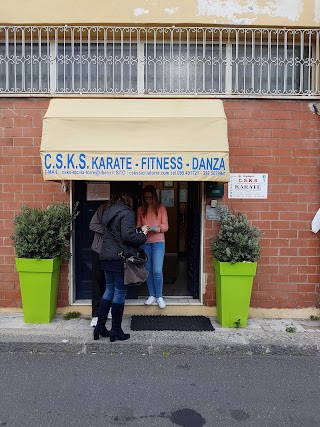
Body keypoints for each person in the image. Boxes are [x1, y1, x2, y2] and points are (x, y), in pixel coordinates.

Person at [93, 192, 148, 341]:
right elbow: (128, 236)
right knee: (119, 292)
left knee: (109, 290)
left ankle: (100, 327)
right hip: (119, 258)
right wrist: (142, 235)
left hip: (105, 256)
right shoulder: (127, 213)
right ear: (127, 202)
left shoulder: (107, 212)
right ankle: (116, 330)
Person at [137, 185, 169, 309]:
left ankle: (159, 296)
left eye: (150, 197)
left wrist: (155, 228)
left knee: (157, 270)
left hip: (158, 242)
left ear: (154, 197)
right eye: (146, 198)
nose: (148, 200)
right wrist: (143, 229)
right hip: (145, 242)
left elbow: (166, 227)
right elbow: (138, 227)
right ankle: (151, 295)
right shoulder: (140, 209)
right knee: (148, 270)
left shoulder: (161, 208)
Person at [89, 202, 111, 327]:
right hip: (98, 250)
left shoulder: (122, 212)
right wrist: (107, 230)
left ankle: (107, 310)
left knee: (110, 282)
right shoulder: (102, 208)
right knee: (97, 282)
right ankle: (96, 314)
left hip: (113, 252)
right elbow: (92, 225)